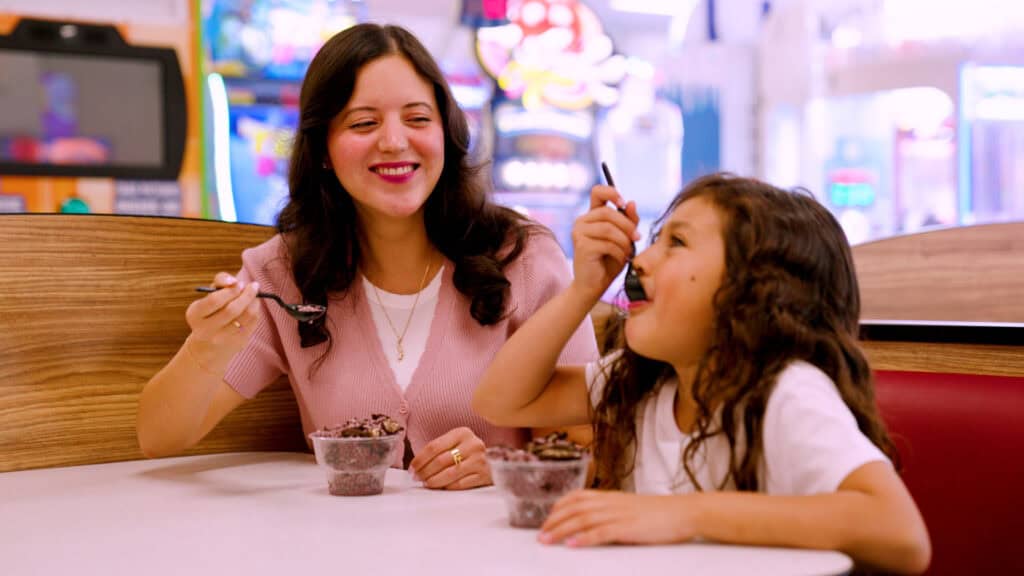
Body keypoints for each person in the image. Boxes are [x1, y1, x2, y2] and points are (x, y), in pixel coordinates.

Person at [137, 23, 598, 490]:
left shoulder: (524, 258)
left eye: (418, 119)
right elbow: (159, 436)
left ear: (447, 134)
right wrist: (207, 349)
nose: (395, 142)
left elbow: (589, 443)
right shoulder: (283, 274)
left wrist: (506, 470)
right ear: (322, 150)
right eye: (363, 123)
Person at [472, 174, 931, 572]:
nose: (641, 260)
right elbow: (500, 401)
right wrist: (583, 289)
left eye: (677, 243)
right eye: (655, 240)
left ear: (753, 292)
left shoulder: (784, 392)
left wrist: (682, 515)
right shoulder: (646, 383)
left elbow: (902, 535)